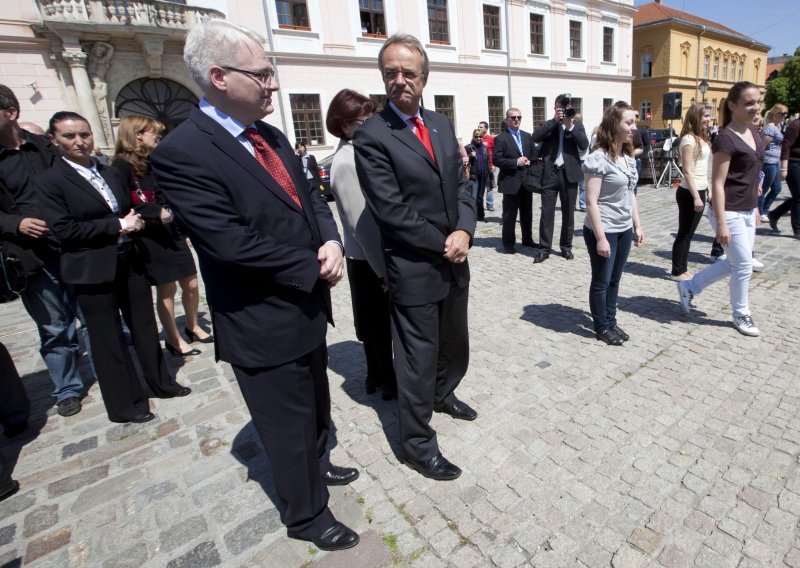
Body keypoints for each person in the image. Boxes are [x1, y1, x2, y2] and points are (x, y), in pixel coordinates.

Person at [150, 20, 359, 551]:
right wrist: (310, 265)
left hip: (306, 306)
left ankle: (317, 470)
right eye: (263, 74)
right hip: (260, 318)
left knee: (314, 408)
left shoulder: (271, 135)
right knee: (285, 423)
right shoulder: (182, 152)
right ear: (219, 76)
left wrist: (332, 241)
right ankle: (306, 515)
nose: (273, 84)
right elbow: (230, 243)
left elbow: (310, 198)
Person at [353, 33, 477, 482]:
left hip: (455, 258)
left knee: (455, 348)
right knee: (416, 360)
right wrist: (444, 241)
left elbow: (463, 185)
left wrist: (464, 230)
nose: (399, 80)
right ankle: (417, 445)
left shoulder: (442, 125)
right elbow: (391, 211)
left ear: (424, 77)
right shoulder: (372, 135)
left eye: (408, 72)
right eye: (391, 73)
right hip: (414, 265)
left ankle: (443, 394)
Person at [35, 111, 191, 423]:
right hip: (91, 269)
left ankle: (161, 383)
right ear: (54, 140)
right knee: (108, 340)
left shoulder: (107, 171)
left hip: (128, 260)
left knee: (144, 327)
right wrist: (116, 226)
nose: (79, 141)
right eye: (70, 136)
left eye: (84, 134)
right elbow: (64, 230)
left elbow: (131, 204)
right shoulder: (51, 180)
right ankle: (125, 405)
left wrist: (139, 219)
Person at [0, 84, 86, 417]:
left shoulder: (45, 148)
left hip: (70, 245)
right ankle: (67, 388)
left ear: (11, 112)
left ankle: (111, 366)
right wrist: (16, 224)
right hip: (30, 256)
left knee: (91, 313)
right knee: (54, 325)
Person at [111, 115, 212, 358]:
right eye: (153, 132)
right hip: (149, 237)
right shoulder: (121, 167)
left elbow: (166, 194)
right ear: (137, 135)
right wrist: (155, 211)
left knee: (191, 283)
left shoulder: (153, 161)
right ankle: (174, 339)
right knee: (166, 290)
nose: (158, 136)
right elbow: (122, 204)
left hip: (171, 231)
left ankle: (192, 325)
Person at [325, 89, 397, 400]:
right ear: (343, 125)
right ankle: (388, 382)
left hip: (366, 257)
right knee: (378, 327)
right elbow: (362, 223)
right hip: (369, 259)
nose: (369, 124)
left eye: (371, 117)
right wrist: (383, 271)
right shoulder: (348, 161)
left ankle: (374, 375)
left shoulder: (357, 151)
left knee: (371, 324)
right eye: (361, 119)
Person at [677, 82, 764, 336]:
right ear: (733, 105)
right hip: (729, 211)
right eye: (749, 103)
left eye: (757, 102)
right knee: (744, 266)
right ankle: (741, 314)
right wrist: (722, 223)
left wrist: (756, 207)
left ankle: (690, 286)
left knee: (737, 262)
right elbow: (717, 182)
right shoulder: (726, 137)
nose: (755, 107)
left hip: (747, 209)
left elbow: (751, 177)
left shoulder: (754, 133)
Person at [582, 101, 644, 346]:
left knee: (615, 280)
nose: (633, 128)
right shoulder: (598, 159)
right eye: (628, 122)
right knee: (602, 280)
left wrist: (637, 225)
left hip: (623, 228)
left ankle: (611, 319)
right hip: (604, 228)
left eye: (634, 122)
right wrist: (600, 237)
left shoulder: (627, 158)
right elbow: (590, 202)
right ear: (613, 125)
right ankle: (601, 326)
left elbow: (631, 194)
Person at [532, 94, 590, 262]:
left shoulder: (577, 125)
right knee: (547, 213)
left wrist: (569, 125)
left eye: (565, 107)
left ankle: (566, 247)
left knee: (568, 213)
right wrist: (554, 121)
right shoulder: (549, 124)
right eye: (560, 107)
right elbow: (536, 137)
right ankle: (544, 248)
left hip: (569, 174)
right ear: (555, 108)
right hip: (550, 173)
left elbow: (584, 145)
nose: (563, 110)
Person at [670, 103, 713, 281]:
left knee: (689, 233)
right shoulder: (688, 139)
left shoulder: (702, 137)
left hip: (700, 188)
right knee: (684, 232)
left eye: (708, 116)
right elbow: (687, 171)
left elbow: (703, 168)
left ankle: (682, 268)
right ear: (695, 117)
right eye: (705, 116)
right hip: (689, 192)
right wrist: (696, 196)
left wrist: (708, 189)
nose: (708, 119)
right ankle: (677, 270)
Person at [493, 108, 535, 253]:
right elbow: (497, 160)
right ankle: (509, 244)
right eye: (513, 117)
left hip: (526, 182)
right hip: (510, 182)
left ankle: (527, 239)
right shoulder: (501, 138)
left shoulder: (527, 136)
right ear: (507, 120)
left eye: (519, 117)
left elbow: (534, 155)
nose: (516, 120)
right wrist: (515, 162)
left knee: (527, 213)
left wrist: (530, 161)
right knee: (510, 215)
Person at [768, 116, 800, 239]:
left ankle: (775, 214)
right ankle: (797, 229)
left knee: (798, 196)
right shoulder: (795, 125)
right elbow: (786, 147)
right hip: (793, 163)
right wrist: (784, 168)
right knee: (799, 197)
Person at [759, 104, 787, 219]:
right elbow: (762, 146)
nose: (784, 116)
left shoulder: (777, 127)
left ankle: (764, 209)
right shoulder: (770, 128)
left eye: (786, 114)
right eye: (782, 114)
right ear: (775, 114)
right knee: (763, 189)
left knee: (777, 188)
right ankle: (760, 212)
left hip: (775, 161)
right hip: (768, 161)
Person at [465, 128, 493, 222]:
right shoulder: (469, 147)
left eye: (480, 136)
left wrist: (490, 175)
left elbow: (488, 162)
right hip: (473, 175)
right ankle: (472, 215)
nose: (478, 138)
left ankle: (481, 215)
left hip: (483, 175)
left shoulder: (484, 147)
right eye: (476, 136)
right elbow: (463, 160)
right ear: (473, 137)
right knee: (473, 196)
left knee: (480, 197)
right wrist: (470, 156)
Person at [478, 121, 495, 211]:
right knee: (480, 186)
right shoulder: (476, 138)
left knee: (489, 186)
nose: (479, 128)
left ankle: (490, 204)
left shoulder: (490, 139)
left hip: (489, 166)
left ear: (486, 129)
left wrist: (493, 164)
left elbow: (495, 152)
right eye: (478, 127)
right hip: (480, 166)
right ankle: (479, 205)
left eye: (481, 127)